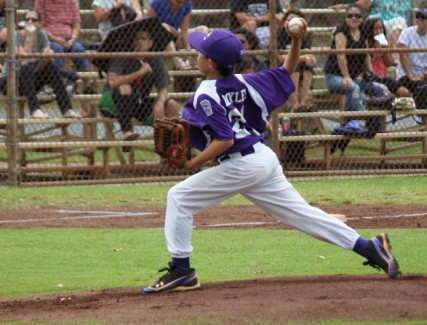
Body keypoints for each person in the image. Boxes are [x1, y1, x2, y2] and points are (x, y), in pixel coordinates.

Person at [142, 26, 401, 294]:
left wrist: (189, 165)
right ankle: (370, 247)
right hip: (263, 159)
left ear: (210, 63)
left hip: (242, 163)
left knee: (179, 197)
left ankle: (182, 270)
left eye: (200, 52)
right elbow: (287, 69)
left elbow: (225, 140)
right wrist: (297, 39)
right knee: (303, 216)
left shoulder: (206, 94)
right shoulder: (247, 81)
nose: (196, 54)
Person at [1, 11, 81, 119]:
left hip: (30, 81)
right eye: (27, 19)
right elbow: (24, 60)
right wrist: (29, 37)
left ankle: (67, 109)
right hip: (10, 82)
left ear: (39, 24)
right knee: (26, 66)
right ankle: (35, 110)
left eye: (34, 20)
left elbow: (45, 60)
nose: (30, 22)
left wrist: (47, 57)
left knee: (51, 68)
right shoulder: (16, 36)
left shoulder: (41, 35)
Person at [323, 3, 389, 132]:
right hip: (334, 77)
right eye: (350, 15)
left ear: (362, 18)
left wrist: (370, 72)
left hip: (353, 78)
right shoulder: (341, 31)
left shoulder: (363, 31)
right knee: (353, 88)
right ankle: (349, 123)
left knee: (382, 89)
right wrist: (346, 77)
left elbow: (366, 55)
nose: (354, 18)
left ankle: (375, 124)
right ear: (345, 17)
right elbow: (340, 56)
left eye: (357, 15)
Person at [106, 29, 179, 144]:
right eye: (137, 39)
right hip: (113, 102)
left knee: (171, 104)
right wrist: (139, 72)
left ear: (151, 42)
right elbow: (112, 82)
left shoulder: (155, 60)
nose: (139, 41)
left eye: (143, 39)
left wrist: (160, 103)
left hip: (138, 103)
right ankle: (127, 132)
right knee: (125, 87)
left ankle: (168, 149)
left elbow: (163, 89)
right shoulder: (123, 55)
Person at [34, 0, 96, 94]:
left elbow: (76, 25)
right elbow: (39, 26)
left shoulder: (71, 1)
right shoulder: (41, 1)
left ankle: (87, 86)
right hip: (50, 38)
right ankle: (61, 84)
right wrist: (55, 38)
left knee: (78, 49)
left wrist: (73, 38)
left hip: (70, 38)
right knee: (57, 49)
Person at [146, 0, 208, 71]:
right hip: (158, 39)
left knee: (203, 29)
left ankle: (199, 62)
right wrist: (167, 27)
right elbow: (148, 25)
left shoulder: (187, 4)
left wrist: (189, 52)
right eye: (178, 2)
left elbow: (184, 30)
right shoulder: (159, 2)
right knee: (165, 30)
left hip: (176, 36)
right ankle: (178, 65)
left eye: (183, 3)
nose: (181, 5)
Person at [277, 7, 316, 111]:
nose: (292, 22)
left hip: (301, 66)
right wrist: (303, 58)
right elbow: (280, 58)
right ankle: (295, 105)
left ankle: (302, 103)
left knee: (308, 70)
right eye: (289, 20)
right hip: (282, 68)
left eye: (295, 19)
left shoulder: (303, 35)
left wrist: (311, 59)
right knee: (294, 70)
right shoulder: (280, 34)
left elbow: (309, 53)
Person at [362, 17, 410, 97]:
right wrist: (378, 53)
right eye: (375, 29)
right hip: (370, 77)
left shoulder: (384, 41)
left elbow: (388, 63)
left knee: (404, 91)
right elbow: (367, 64)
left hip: (382, 76)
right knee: (389, 95)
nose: (378, 31)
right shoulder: (365, 42)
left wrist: (386, 50)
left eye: (380, 28)